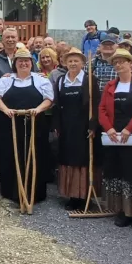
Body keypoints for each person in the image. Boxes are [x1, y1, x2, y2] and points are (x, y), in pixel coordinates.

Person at [0, 48, 54, 207]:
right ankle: (11, 191)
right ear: (15, 64)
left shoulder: (41, 80)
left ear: (31, 63)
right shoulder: (6, 80)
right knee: (11, 155)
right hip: (10, 124)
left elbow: (49, 99)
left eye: (26, 61)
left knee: (36, 155)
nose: (24, 64)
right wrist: (5, 109)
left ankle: (35, 191)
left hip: (35, 124)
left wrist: (38, 109)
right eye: (20, 61)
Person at [99, 49, 132, 231]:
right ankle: (121, 211)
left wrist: (129, 129)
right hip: (114, 138)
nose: (119, 65)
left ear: (131, 64)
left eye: (122, 61)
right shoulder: (110, 86)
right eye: (116, 62)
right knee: (117, 173)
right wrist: (110, 129)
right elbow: (102, 111)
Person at [53, 49, 92, 211]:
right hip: (66, 127)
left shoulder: (89, 80)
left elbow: (95, 105)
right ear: (65, 63)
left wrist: (93, 126)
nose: (73, 63)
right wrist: (56, 125)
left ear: (83, 63)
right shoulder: (61, 80)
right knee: (67, 159)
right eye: (70, 61)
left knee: (81, 160)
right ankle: (71, 195)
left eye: (76, 61)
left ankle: (83, 196)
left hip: (84, 128)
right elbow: (56, 106)